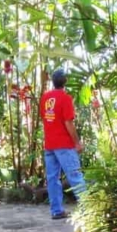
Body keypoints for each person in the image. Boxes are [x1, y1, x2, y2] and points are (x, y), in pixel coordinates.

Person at [40, 69, 86, 220]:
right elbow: (68, 122)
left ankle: (56, 210)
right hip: (64, 144)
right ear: (65, 81)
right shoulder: (65, 98)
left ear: (53, 81)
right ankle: (88, 210)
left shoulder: (45, 98)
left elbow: (46, 119)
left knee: (53, 178)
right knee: (75, 175)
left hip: (49, 144)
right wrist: (77, 143)